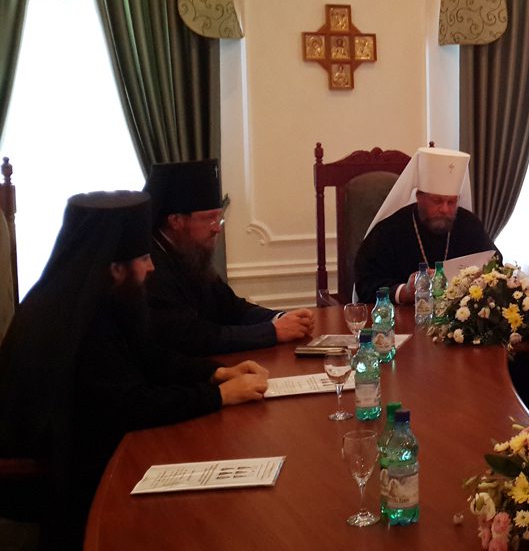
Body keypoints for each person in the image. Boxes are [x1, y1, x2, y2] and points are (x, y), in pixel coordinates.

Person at [0, 191, 269, 549]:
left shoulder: (106, 297)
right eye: (143, 259)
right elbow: (131, 406)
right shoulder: (78, 323)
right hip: (65, 481)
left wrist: (216, 373)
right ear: (115, 268)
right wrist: (218, 396)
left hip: (98, 449)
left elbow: (150, 357)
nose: (152, 267)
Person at [144, 160, 314, 355]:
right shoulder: (149, 267)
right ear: (176, 220)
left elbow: (233, 308)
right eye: (209, 218)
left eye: (219, 218)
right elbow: (190, 336)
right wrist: (272, 332)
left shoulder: (189, 254)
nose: (217, 228)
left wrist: (281, 318)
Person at [355, 146, 498, 304]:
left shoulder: (470, 226)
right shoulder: (389, 231)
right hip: (405, 316)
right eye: (437, 201)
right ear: (419, 197)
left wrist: (480, 277)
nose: (445, 209)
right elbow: (366, 283)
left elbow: (496, 266)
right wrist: (403, 292)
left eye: (451, 202)